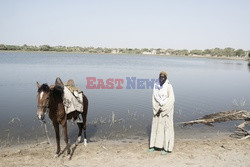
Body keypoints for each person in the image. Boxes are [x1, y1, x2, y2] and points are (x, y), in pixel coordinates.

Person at [148, 71, 175, 155]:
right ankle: (155, 145)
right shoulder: (156, 85)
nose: (161, 79)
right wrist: (157, 109)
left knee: (166, 128)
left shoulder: (169, 86)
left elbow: (171, 100)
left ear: (166, 78)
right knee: (156, 127)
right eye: (160, 77)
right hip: (158, 109)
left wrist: (163, 109)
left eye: (163, 77)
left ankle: (166, 148)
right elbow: (154, 98)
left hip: (167, 110)